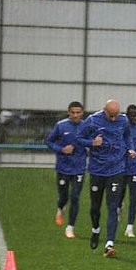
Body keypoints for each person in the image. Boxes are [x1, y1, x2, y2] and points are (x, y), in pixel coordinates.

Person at [76, 99, 136, 257]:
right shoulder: (92, 120)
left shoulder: (123, 120)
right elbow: (79, 138)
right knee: (95, 207)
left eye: (116, 115)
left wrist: (130, 149)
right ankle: (95, 229)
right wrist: (92, 142)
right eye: (111, 115)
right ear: (104, 110)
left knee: (113, 207)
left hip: (116, 169)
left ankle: (110, 243)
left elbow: (127, 136)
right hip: (97, 170)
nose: (114, 118)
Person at [46, 101, 87, 239]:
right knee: (63, 196)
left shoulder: (86, 127)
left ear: (82, 113)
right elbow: (49, 142)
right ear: (68, 112)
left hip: (79, 168)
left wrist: (90, 146)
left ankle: (70, 227)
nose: (75, 115)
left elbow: (91, 142)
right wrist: (62, 149)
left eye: (78, 112)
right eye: (73, 112)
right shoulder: (61, 125)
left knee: (75, 197)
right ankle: (61, 207)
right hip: (63, 168)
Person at [118, 104, 136, 238]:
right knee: (119, 194)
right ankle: (119, 206)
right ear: (127, 116)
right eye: (132, 115)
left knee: (134, 198)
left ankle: (130, 227)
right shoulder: (121, 128)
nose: (135, 118)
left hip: (135, 169)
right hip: (121, 168)